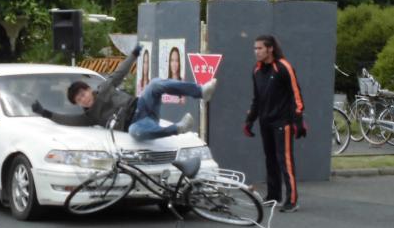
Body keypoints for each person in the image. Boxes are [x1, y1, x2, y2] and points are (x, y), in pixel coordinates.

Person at [32, 45, 217, 141]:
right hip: (137, 123)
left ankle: (200, 91)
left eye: (83, 94)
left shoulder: (103, 88)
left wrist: (134, 55)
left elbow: (120, 73)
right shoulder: (90, 117)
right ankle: (177, 129)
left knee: (154, 84)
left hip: (141, 106)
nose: (83, 99)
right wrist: (45, 113)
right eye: (79, 100)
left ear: (89, 90)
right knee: (136, 133)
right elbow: (68, 120)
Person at [243, 35, 306, 213]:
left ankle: (292, 200)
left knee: (284, 160)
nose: (256, 52)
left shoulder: (284, 67)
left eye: (260, 48)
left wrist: (298, 121)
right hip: (265, 122)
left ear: (270, 49)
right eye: (255, 49)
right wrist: (250, 121)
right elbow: (257, 99)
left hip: (282, 122)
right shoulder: (256, 71)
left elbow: (296, 95)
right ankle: (273, 196)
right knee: (270, 159)